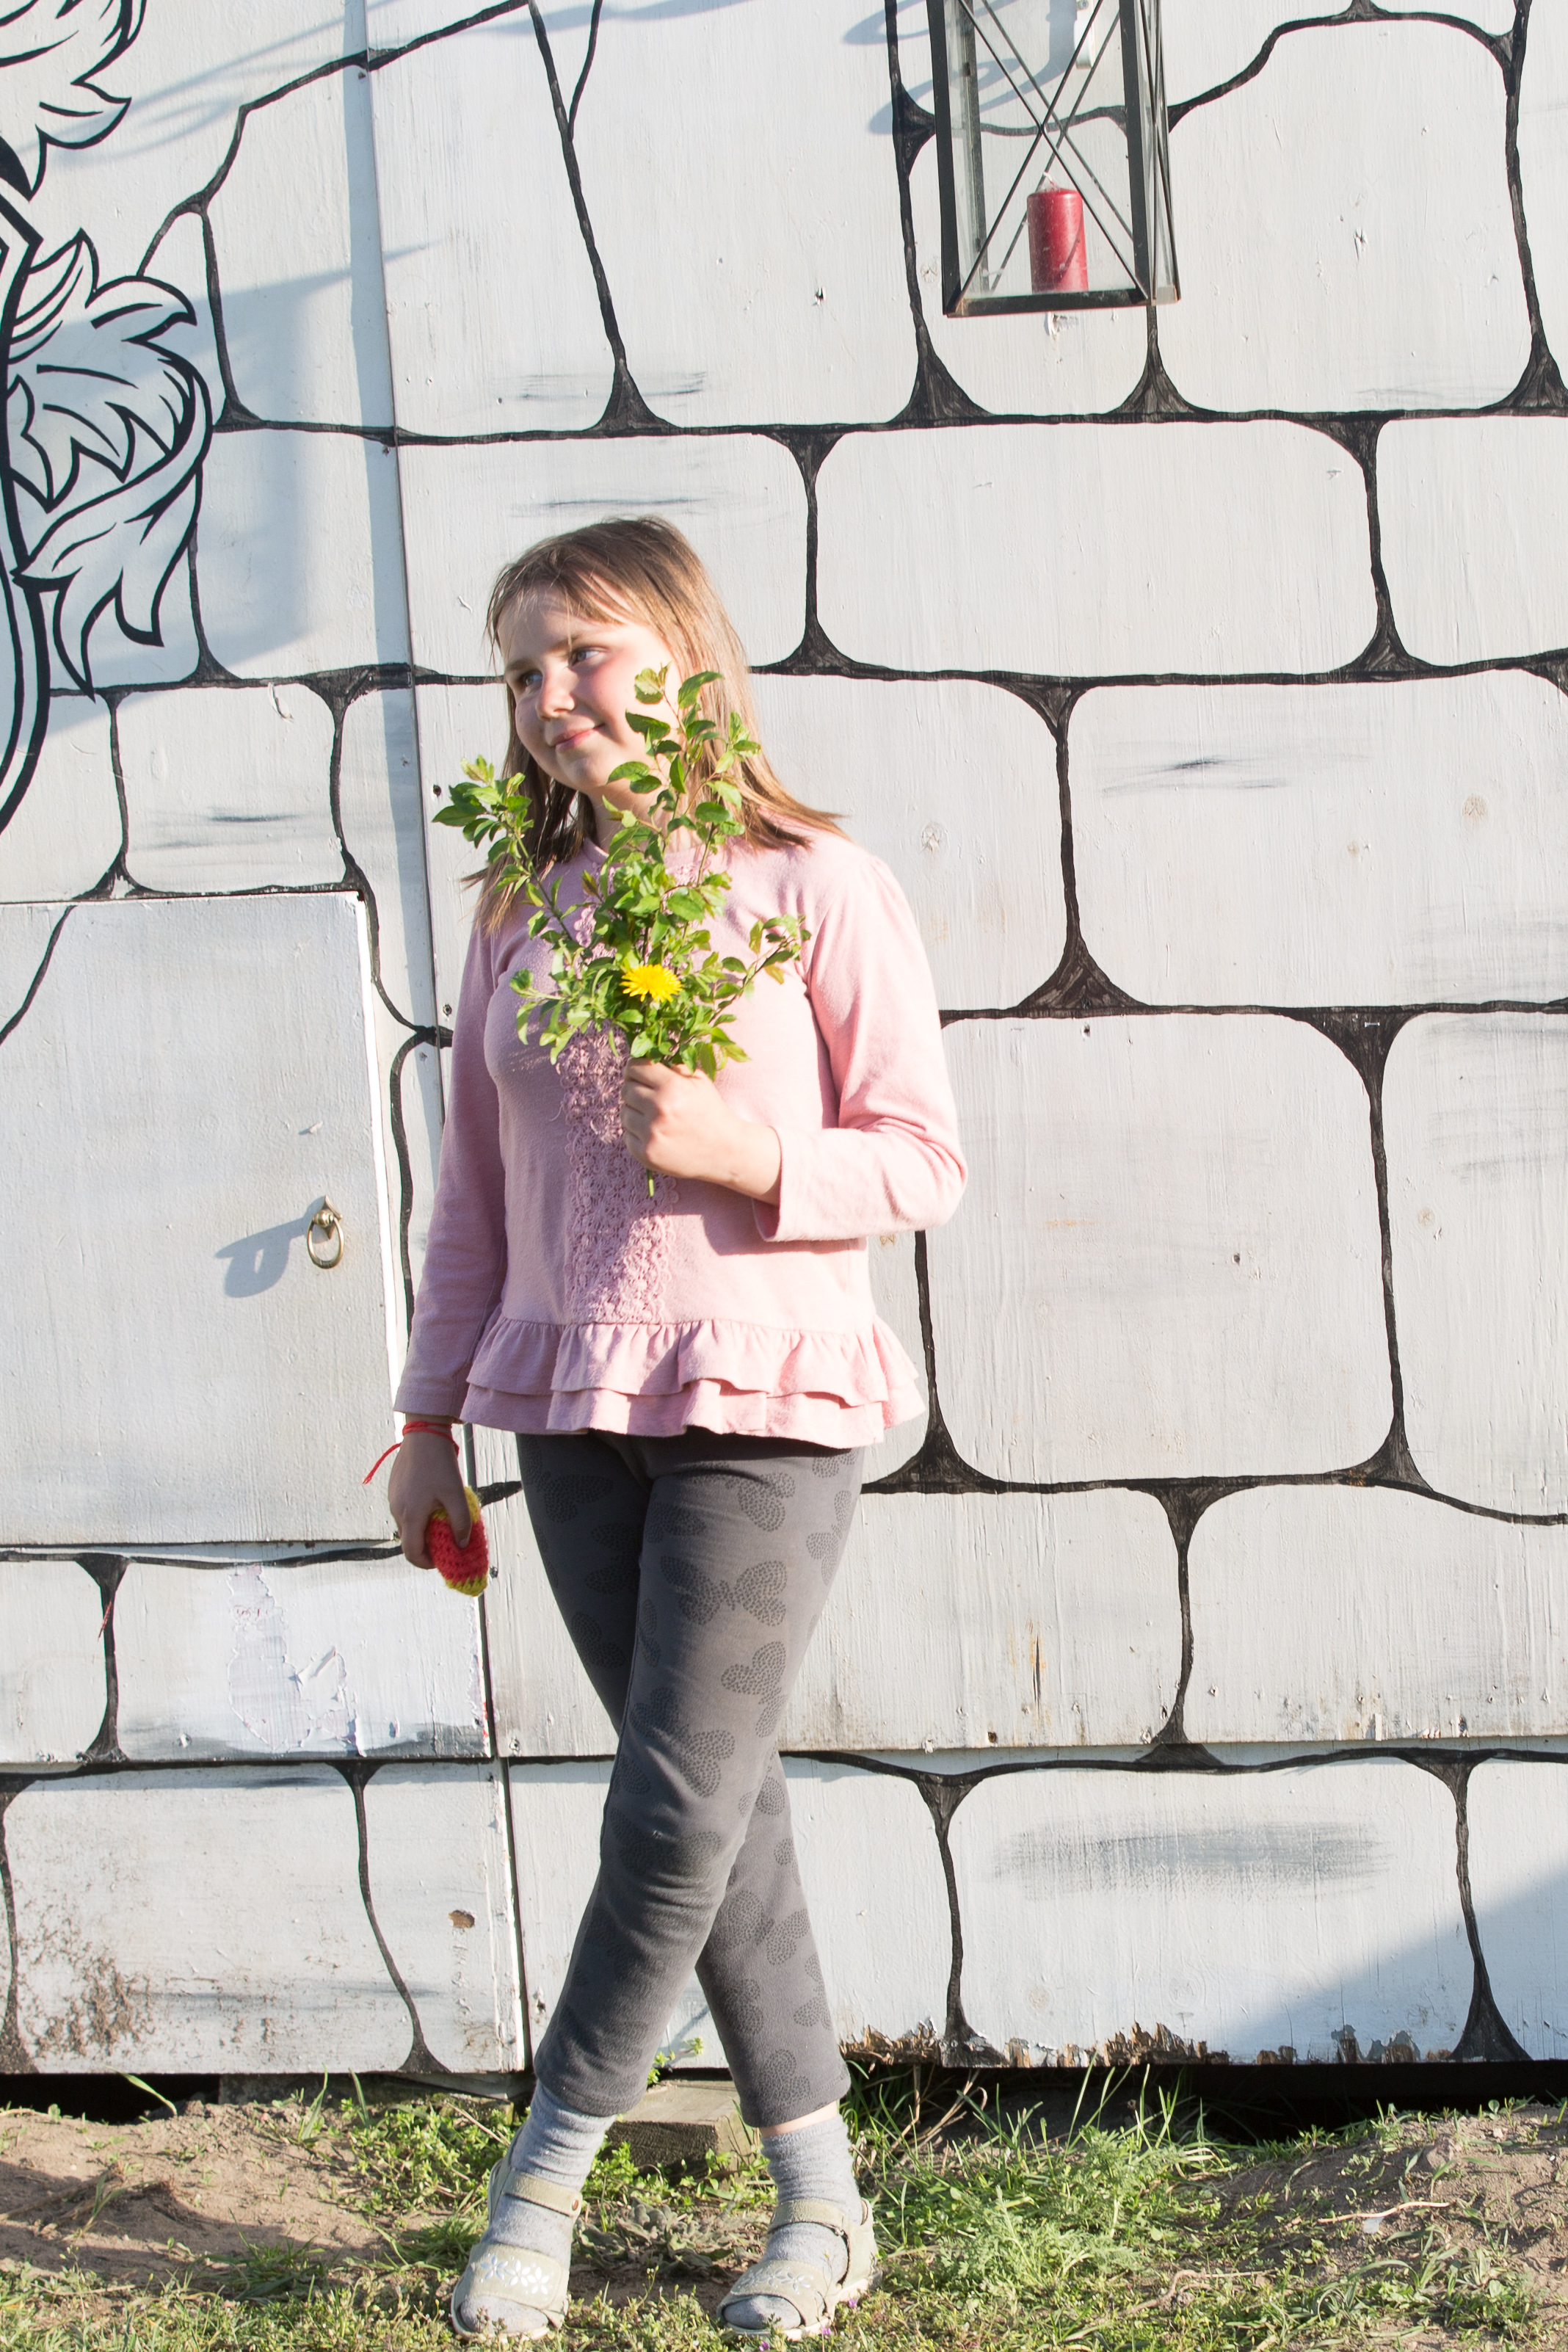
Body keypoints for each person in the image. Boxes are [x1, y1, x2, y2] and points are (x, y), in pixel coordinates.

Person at [387, 515, 965, 2342]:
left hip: (766, 1408)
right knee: (722, 1814)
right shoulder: (520, 912)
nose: (551, 699)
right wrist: (426, 1420)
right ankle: (826, 2206)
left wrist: (756, 1154)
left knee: (670, 1805)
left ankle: (541, 2183)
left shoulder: (816, 883)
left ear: (686, 658)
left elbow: (924, 1160)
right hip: (567, 1412)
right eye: (522, 672)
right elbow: (474, 1201)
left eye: (586, 654)